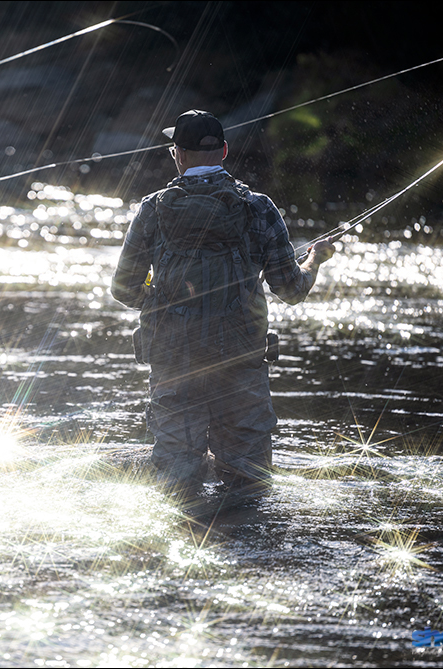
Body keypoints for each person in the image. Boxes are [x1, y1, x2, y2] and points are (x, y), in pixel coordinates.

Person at [111, 109, 335, 502]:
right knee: (248, 483)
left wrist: (162, 300)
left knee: (177, 484)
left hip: (174, 364)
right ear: (225, 151)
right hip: (239, 362)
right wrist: (315, 258)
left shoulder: (152, 209)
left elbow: (124, 289)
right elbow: (292, 288)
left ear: (176, 153)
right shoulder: (258, 207)